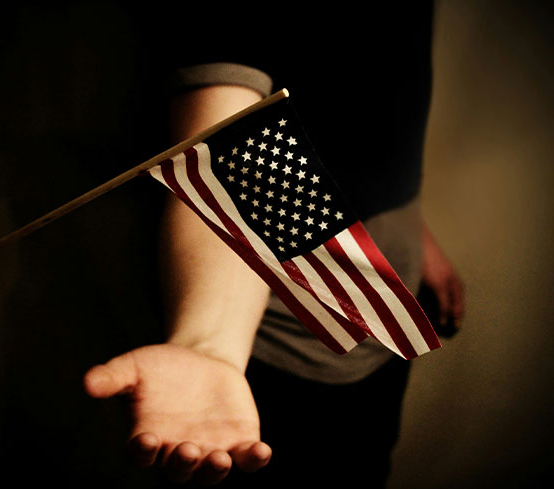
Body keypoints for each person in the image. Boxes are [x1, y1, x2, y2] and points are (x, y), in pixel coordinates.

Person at [85, 3, 464, 487]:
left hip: (385, 280)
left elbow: (372, 108)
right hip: (275, 340)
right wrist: (213, 346)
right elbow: (231, 157)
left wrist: (412, 225)